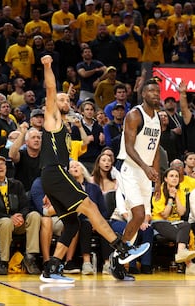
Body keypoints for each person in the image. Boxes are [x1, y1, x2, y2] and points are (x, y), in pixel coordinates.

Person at [39, 55, 149, 283]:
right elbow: (50, 88)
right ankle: (122, 248)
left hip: (55, 175)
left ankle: (52, 268)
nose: (65, 101)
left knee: (72, 223)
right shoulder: (52, 119)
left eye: (67, 99)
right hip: (55, 172)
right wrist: (48, 66)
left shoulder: (66, 128)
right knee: (89, 205)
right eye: (61, 99)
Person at [117, 77, 161, 252]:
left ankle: (120, 258)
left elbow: (156, 149)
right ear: (143, 94)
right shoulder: (134, 115)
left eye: (158, 91)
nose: (155, 94)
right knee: (138, 214)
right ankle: (119, 252)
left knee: (139, 218)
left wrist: (157, 179)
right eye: (151, 91)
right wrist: (145, 167)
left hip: (146, 171)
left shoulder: (157, 117)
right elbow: (128, 147)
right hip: (130, 169)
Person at [0, 155, 41, 275]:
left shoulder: (16, 184)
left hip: (16, 222)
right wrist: (10, 217)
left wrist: (21, 215)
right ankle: (4, 262)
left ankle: (30, 257)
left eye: (3, 164)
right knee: (6, 222)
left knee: (34, 216)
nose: (0, 167)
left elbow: (26, 205)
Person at [151, 168, 195, 275]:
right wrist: (171, 197)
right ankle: (189, 264)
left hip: (176, 222)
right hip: (159, 222)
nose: (174, 178)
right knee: (184, 237)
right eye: (171, 176)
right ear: (165, 179)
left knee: (186, 224)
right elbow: (165, 214)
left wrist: (176, 196)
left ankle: (181, 253)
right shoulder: (159, 191)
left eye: (176, 176)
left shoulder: (180, 191)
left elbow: (181, 212)